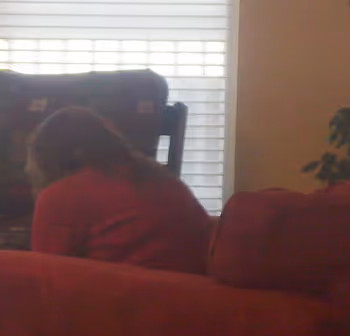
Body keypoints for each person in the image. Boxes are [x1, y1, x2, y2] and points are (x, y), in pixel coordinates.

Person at [25, 106, 213, 274]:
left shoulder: (60, 195)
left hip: (126, 302)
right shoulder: (164, 178)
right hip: (195, 298)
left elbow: (47, 276)